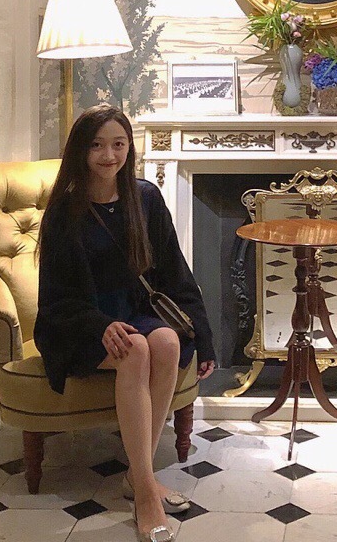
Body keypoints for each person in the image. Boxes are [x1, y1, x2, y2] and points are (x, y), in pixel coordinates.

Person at [35, 104, 216, 542]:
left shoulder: (145, 198)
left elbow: (175, 272)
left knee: (167, 342)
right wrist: (99, 324)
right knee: (134, 351)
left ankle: (137, 477)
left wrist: (204, 336)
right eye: (97, 145)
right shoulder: (63, 211)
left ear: (129, 148)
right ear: (81, 150)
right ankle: (147, 494)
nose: (109, 155)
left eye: (118, 144)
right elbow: (55, 297)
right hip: (78, 322)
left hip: (133, 311)